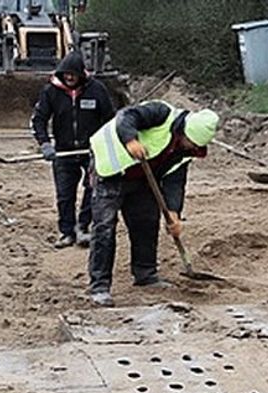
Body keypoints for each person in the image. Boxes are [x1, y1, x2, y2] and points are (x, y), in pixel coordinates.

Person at [87, 101, 220, 306]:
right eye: (191, 143)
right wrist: (130, 140)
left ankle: (145, 273)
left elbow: (175, 181)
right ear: (184, 132)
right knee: (104, 228)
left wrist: (174, 212)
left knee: (147, 222)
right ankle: (100, 286)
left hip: (142, 177)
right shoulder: (160, 113)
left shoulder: (184, 150)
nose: (192, 148)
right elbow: (126, 116)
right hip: (110, 169)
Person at [31, 51, 116, 249]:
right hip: (63, 151)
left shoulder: (97, 90)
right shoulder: (50, 92)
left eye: (73, 74)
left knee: (93, 189)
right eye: (66, 74)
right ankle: (66, 232)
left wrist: (104, 145)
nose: (69, 78)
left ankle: (83, 226)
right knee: (64, 194)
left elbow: (110, 120)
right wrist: (44, 143)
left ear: (81, 74)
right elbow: (39, 119)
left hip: (92, 151)